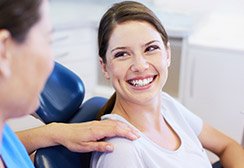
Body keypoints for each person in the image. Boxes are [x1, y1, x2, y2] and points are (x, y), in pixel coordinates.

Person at [91, 1, 244, 168]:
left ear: (167, 54)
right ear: (104, 67)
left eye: (150, 49)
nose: (140, 65)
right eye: (122, 54)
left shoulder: (167, 105)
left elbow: (228, 146)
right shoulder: (121, 151)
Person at [0, 0, 139, 166]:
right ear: (4, 50)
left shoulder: (4, 135)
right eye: (47, 41)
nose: (51, 65)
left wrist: (54, 133)